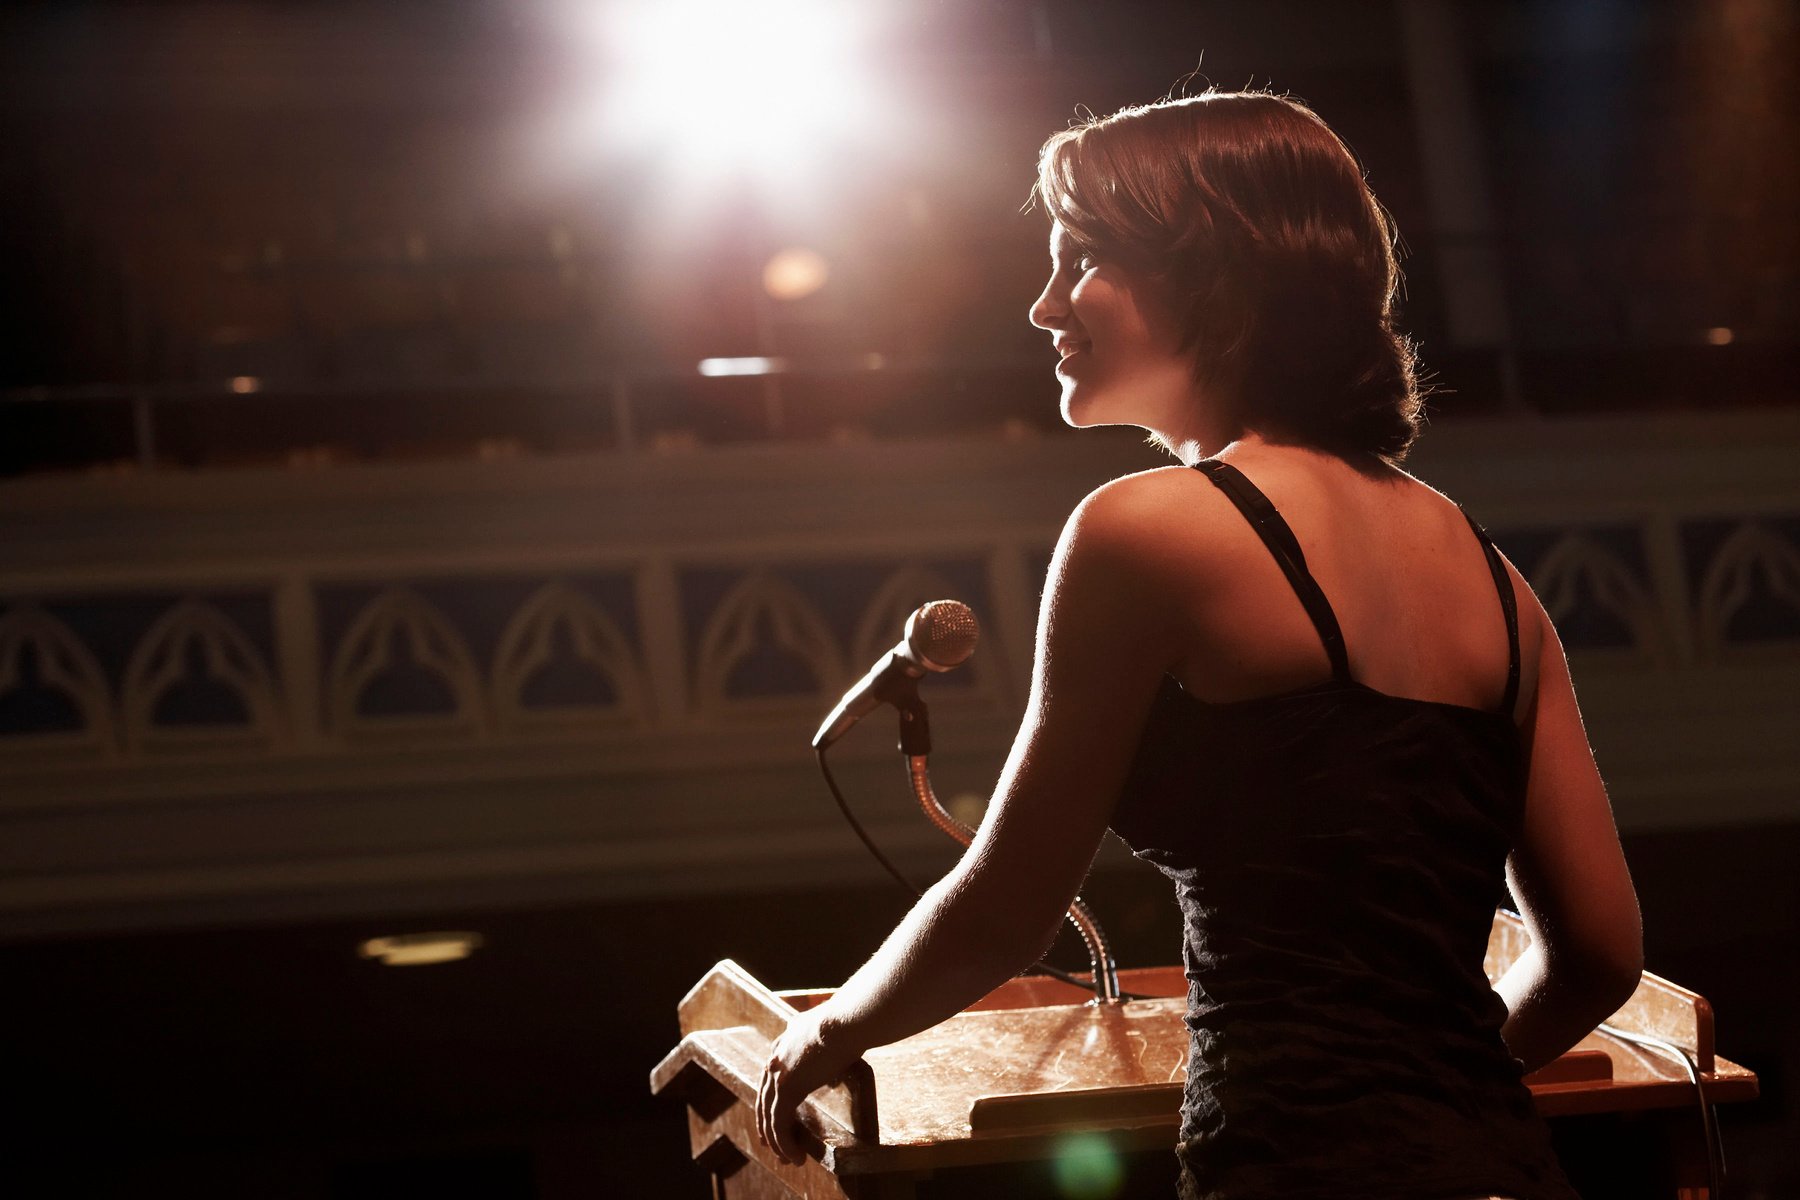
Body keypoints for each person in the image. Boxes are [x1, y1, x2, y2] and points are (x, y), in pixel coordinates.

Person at [756, 91, 1642, 1199]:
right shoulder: (1500, 587)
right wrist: (1432, 1083)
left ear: (1213, 275)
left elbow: (1007, 902)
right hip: (1506, 1165)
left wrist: (822, 1033)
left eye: (1079, 260)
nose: (1042, 307)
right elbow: (1603, 951)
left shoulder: (1144, 528)